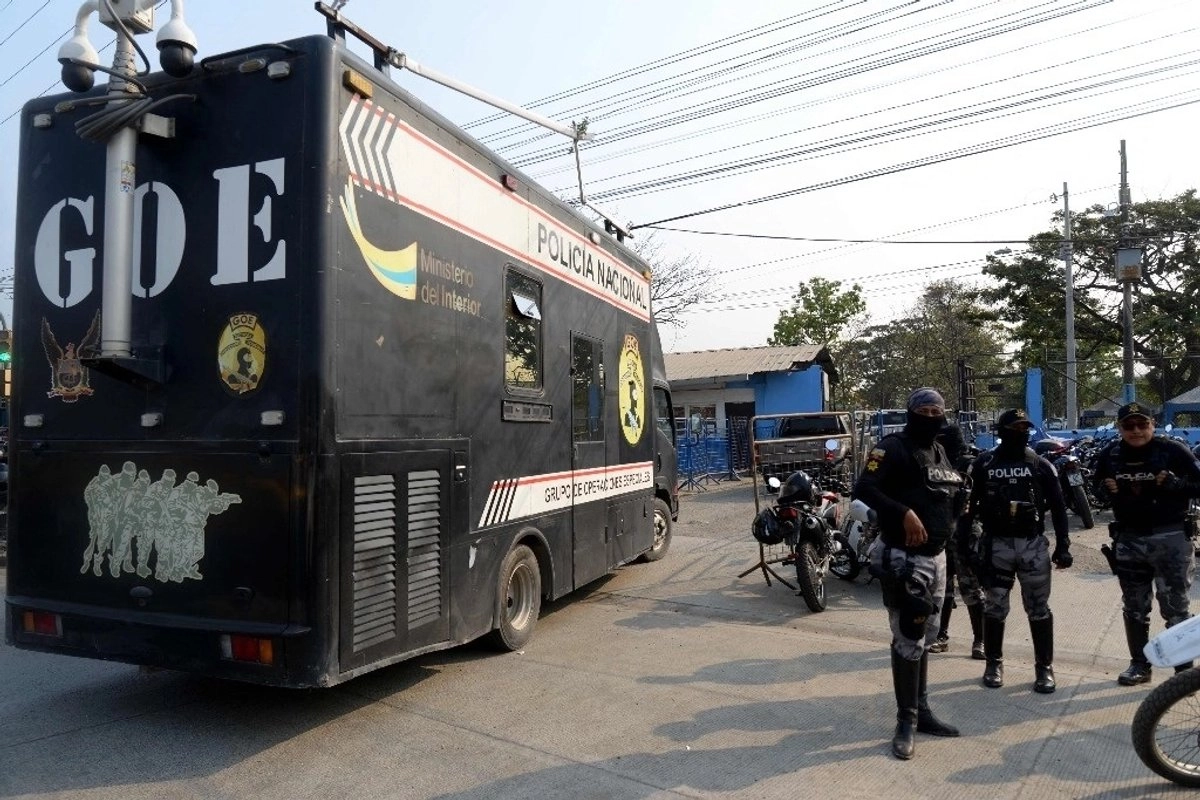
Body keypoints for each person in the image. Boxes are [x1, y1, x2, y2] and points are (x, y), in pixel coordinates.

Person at [853, 387, 964, 760]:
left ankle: (923, 711)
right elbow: (864, 488)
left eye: (937, 410)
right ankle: (905, 720)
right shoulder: (892, 447)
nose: (931, 416)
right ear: (911, 412)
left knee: (925, 638)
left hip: (937, 558)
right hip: (903, 557)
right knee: (908, 635)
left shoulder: (940, 451)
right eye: (924, 410)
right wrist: (902, 512)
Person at [956, 409, 1071, 694]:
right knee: (995, 606)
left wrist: (1063, 545)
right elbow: (967, 509)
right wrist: (964, 547)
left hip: (1032, 544)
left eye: (1025, 428)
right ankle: (993, 663)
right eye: (1015, 427)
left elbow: (1058, 506)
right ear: (1002, 430)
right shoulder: (983, 463)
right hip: (996, 544)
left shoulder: (1041, 464)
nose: (1021, 432)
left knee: (1039, 609)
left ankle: (1044, 668)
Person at [1092, 402, 1200, 685]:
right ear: (1120, 428)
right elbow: (1095, 488)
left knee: (1176, 608)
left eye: (1142, 424)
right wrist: (1103, 490)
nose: (1136, 431)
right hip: (1129, 539)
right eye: (1129, 426)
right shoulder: (1111, 454)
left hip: (1171, 538)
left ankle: (1183, 674)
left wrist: (1178, 485)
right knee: (1135, 606)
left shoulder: (1173, 451)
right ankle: (1139, 665)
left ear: (1153, 424)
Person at [928, 419, 986, 660]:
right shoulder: (935, 464)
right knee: (944, 589)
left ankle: (980, 640)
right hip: (941, 534)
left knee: (971, 588)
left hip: (965, 533)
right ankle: (941, 635)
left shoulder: (968, 465)